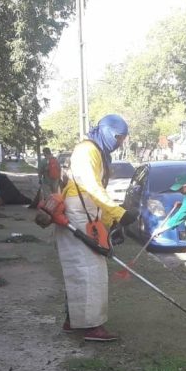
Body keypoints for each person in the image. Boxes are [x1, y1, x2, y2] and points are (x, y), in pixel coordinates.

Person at [56, 114, 136, 342]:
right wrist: (119, 214)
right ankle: (91, 326)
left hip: (84, 212)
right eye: (118, 137)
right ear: (107, 132)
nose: (120, 142)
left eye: (123, 139)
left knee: (80, 270)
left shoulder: (96, 151)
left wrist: (111, 222)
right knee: (90, 271)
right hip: (78, 212)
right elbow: (92, 187)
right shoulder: (87, 150)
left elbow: (95, 194)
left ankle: (73, 320)